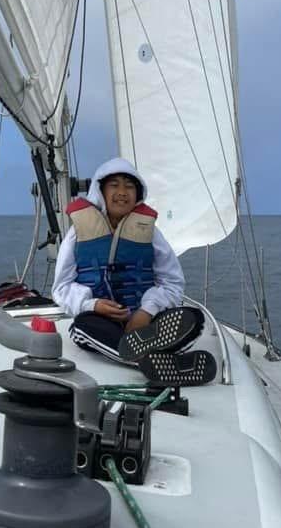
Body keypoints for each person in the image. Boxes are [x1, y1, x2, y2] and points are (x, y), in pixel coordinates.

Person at [53, 157, 215, 385]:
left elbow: (172, 283)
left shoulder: (151, 233)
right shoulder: (76, 233)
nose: (122, 192)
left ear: (138, 194)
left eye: (129, 186)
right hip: (101, 321)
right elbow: (61, 287)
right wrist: (92, 305)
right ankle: (149, 361)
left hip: (147, 321)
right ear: (100, 191)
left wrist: (146, 312)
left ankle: (143, 352)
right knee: (82, 327)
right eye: (114, 185)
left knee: (193, 318)